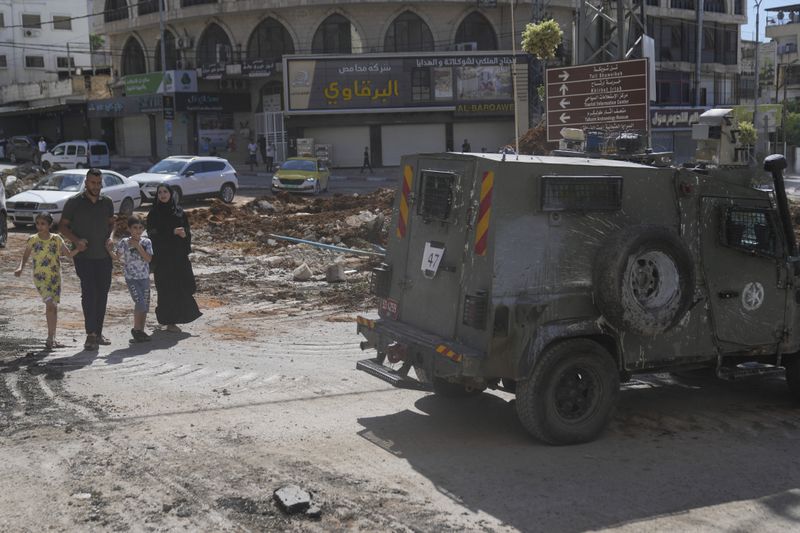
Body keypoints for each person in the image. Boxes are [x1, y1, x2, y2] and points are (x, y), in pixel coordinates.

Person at [59, 168, 116, 351]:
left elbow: (112, 223)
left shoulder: (106, 202)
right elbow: (62, 227)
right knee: (89, 293)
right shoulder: (74, 202)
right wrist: (76, 241)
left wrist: (111, 237)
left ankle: (98, 333)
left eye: (99, 183)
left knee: (102, 294)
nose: (96, 186)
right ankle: (90, 334)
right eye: (93, 183)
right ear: (86, 183)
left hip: (104, 257)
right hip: (84, 257)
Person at [14, 212, 78, 350]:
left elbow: (68, 255)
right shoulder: (32, 239)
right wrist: (20, 268)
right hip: (40, 278)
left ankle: (52, 337)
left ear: (49, 225)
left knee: (53, 307)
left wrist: (79, 248)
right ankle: (50, 338)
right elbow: (25, 256)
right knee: (49, 304)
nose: (39, 226)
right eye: (38, 223)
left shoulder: (57, 239)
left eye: (43, 223)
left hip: (55, 277)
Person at [146, 184, 202, 332]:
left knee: (182, 287)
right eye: (160, 192)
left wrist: (185, 235)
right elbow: (152, 234)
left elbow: (187, 231)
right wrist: (171, 232)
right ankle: (169, 322)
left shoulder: (179, 211)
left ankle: (180, 317)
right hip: (163, 259)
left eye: (165, 192)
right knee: (166, 289)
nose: (163, 195)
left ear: (171, 194)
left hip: (178, 257)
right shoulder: (154, 213)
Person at [114, 216, 153, 343]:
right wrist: (109, 248)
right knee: (140, 303)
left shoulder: (146, 242)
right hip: (132, 279)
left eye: (140, 228)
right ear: (129, 229)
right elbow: (116, 256)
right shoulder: (124, 242)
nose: (137, 230)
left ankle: (140, 331)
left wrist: (138, 246)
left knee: (145, 305)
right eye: (135, 228)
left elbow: (148, 259)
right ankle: (136, 329)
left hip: (144, 278)